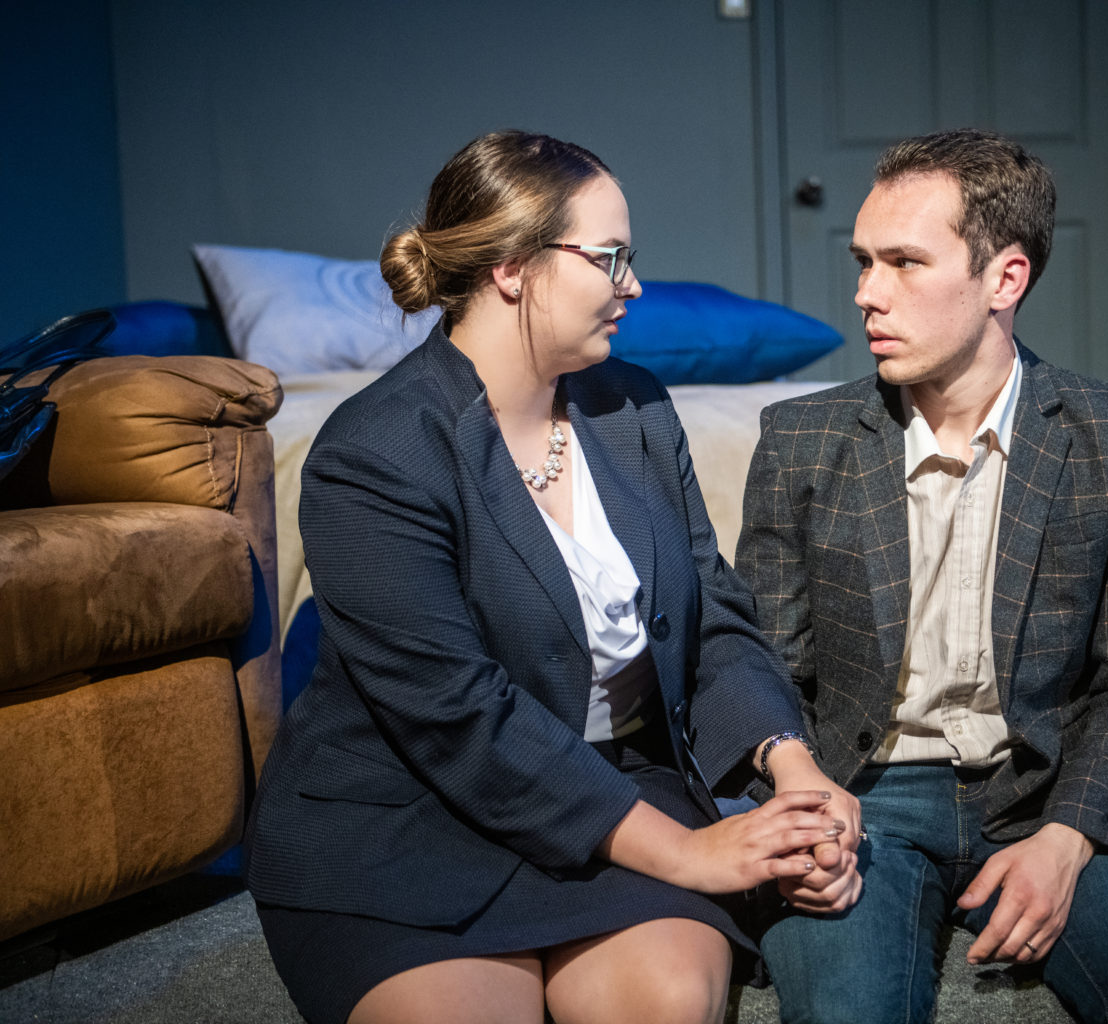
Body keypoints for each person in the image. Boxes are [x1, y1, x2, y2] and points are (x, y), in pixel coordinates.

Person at [243, 130, 861, 1024]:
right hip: (410, 814)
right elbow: (458, 716)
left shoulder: (637, 406)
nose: (634, 286)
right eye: (610, 259)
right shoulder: (374, 451)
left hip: (615, 783)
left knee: (665, 1007)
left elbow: (714, 617)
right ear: (512, 268)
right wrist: (692, 856)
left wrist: (790, 765)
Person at [734, 128, 1108, 1023]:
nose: (865, 294)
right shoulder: (802, 440)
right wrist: (801, 794)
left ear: (1005, 279)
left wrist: (1070, 836)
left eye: (903, 263)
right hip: (864, 787)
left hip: (1044, 782)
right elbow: (765, 664)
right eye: (863, 262)